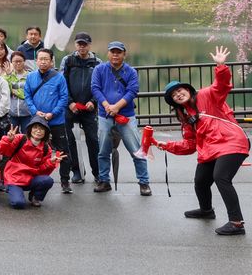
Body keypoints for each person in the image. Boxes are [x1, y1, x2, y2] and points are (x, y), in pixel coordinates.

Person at [153, 45, 250, 236]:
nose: (178, 94)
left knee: (221, 177)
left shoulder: (206, 96)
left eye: (179, 90)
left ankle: (237, 223)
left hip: (232, 141)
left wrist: (220, 66)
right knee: (200, 180)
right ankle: (206, 211)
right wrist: (166, 145)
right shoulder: (186, 119)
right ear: (174, 102)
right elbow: (189, 145)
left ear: (187, 90)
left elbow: (221, 86)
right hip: (211, 149)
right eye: (174, 95)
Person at [90, 40, 151, 195]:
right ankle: (104, 181)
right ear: (108, 53)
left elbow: (132, 91)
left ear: (124, 54)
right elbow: (95, 88)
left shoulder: (131, 72)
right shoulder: (99, 69)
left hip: (126, 116)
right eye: (112, 52)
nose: (115, 55)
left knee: (136, 150)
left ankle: (144, 182)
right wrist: (106, 105)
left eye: (119, 52)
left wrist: (116, 107)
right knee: (103, 151)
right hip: (105, 115)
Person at [24, 48, 71, 193]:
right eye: (40, 59)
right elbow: (27, 96)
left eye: (46, 59)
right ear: (36, 60)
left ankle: (65, 181)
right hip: (37, 121)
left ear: (51, 61)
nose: (43, 61)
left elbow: (64, 98)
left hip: (55, 120)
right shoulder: (31, 77)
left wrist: (53, 113)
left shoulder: (59, 77)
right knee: (33, 150)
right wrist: (35, 112)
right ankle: (32, 178)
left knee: (63, 151)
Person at [61, 31, 101, 186]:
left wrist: (94, 101)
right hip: (71, 107)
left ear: (89, 45)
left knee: (93, 140)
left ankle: (97, 173)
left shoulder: (97, 62)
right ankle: (76, 171)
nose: (82, 47)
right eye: (79, 44)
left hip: (89, 108)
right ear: (75, 45)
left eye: (85, 44)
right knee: (70, 140)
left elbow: (100, 85)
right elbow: (62, 83)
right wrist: (70, 102)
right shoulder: (68, 60)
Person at [0, 117, 63, 209]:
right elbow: (2, 150)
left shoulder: (46, 148)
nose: (38, 131)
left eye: (41, 129)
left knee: (48, 180)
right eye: (35, 127)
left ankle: (35, 197)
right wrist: (8, 140)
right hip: (14, 178)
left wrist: (50, 163)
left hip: (30, 178)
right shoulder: (19, 138)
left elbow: (42, 172)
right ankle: (10, 188)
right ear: (30, 129)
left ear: (46, 132)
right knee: (18, 204)